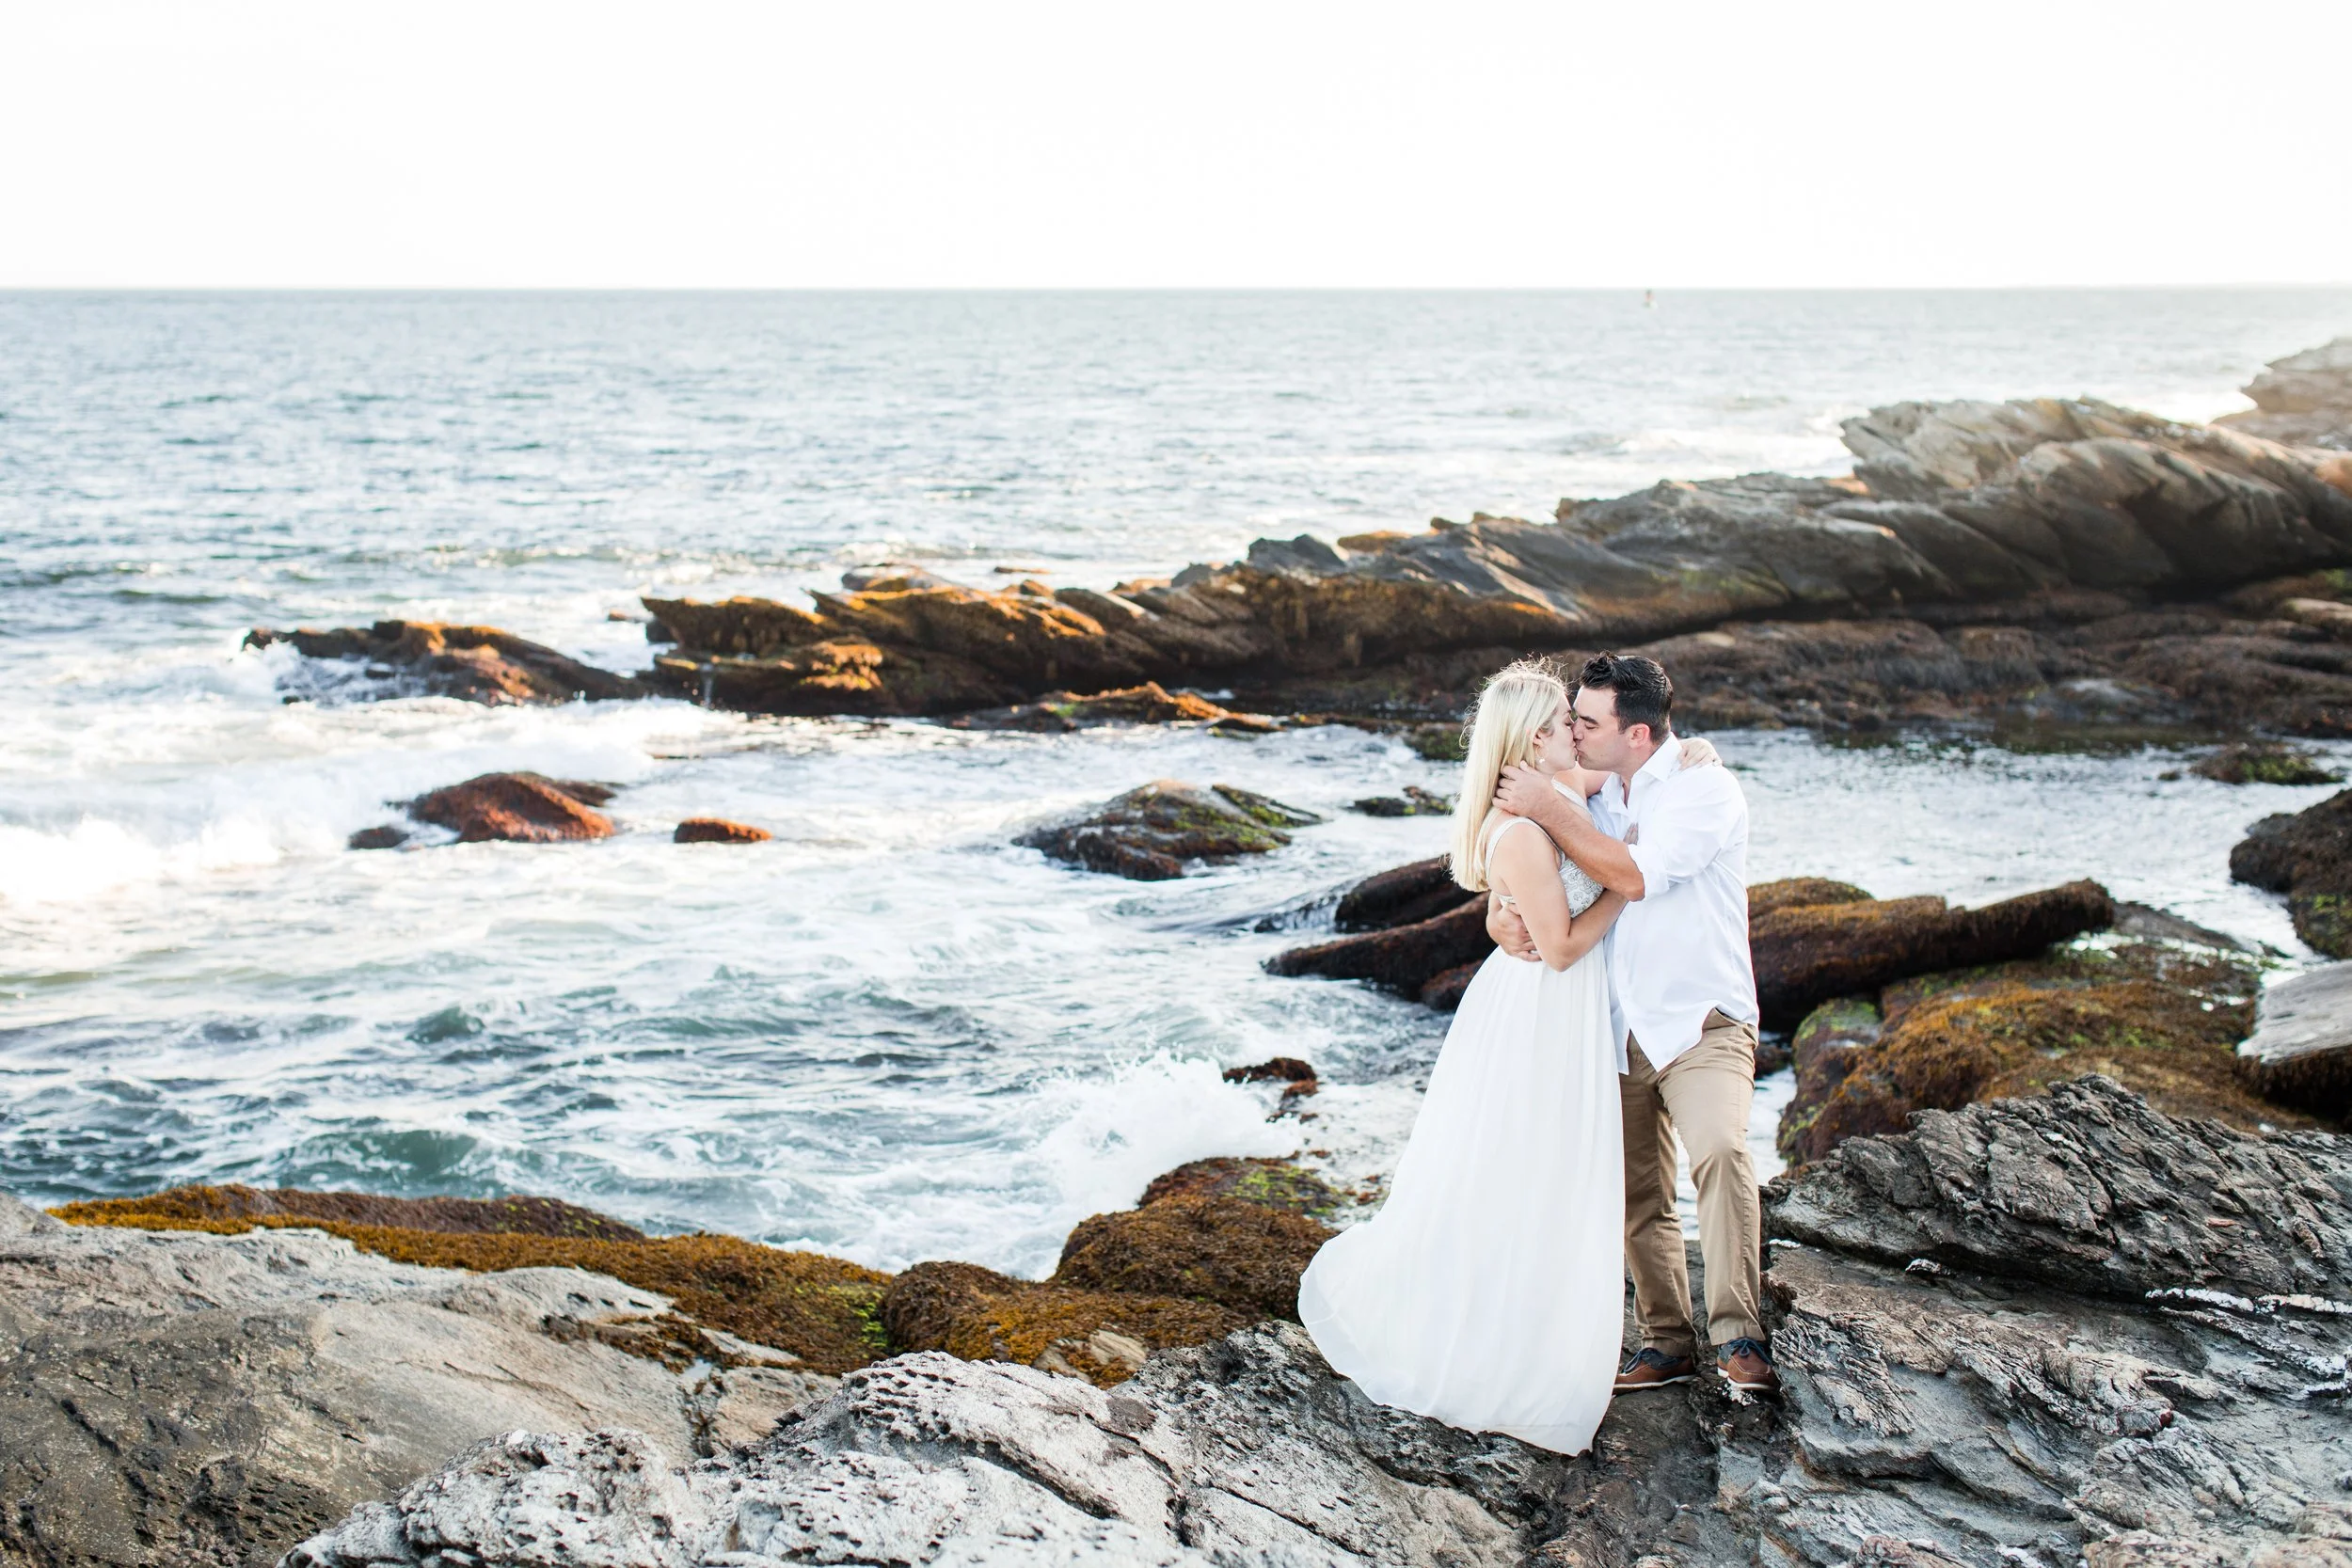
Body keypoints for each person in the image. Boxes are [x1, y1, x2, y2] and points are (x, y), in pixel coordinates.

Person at [1295, 661, 1629, 1453]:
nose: (1575, 734)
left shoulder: (1558, 791)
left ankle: (1537, 1335)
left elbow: (1616, 771)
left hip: (1562, 1015)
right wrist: (1628, 885)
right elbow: (1559, 948)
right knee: (1516, 1174)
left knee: (1548, 1176)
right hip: (1541, 1012)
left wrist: (1692, 759)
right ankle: (1500, 1354)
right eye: (1560, 724)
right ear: (1531, 739)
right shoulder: (1516, 832)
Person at [1488, 652, 1774, 1395]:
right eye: (1572, 719)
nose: (1573, 731)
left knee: (1719, 1150)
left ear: (1638, 733)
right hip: (1613, 1027)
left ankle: (1739, 1333)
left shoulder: (1703, 788)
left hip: (1700, 1022)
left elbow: (1637, 875)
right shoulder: (1594, 785)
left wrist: (1549, 808)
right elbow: (1512, 848)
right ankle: (1666, 1340)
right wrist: (1496, 910)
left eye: (1588, 721)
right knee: (1634, 1192)